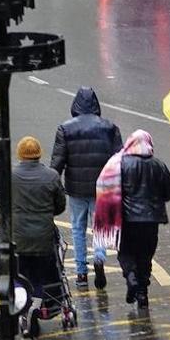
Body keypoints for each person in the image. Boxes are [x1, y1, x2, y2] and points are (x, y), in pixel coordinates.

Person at [92, 129, 170, 308]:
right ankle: (143, 293)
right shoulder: (158, 165)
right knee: (145, 256)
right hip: (151, 221)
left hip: (127, 220)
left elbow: (111, 190)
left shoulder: (119, 165)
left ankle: (131, 279)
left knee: (126, 252)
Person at [50, 87, 122, 288]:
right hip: (102, 189)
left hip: (76, 188)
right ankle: (99, 256)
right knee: (99, 228)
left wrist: (51, 185)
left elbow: (58, 162)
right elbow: (119, 160)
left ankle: (81, 273)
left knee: (78, 229)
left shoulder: (65, 128)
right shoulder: (110, 127)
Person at [12, 136, 66, 319]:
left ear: (20, 154)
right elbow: (60, 206)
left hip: (19, 239)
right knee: (45, 272)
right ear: (39, 154)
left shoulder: (11, 177)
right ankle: (42, 302)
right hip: (44, 238)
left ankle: (22, 305)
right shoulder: (51, 176)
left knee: (20, 272)